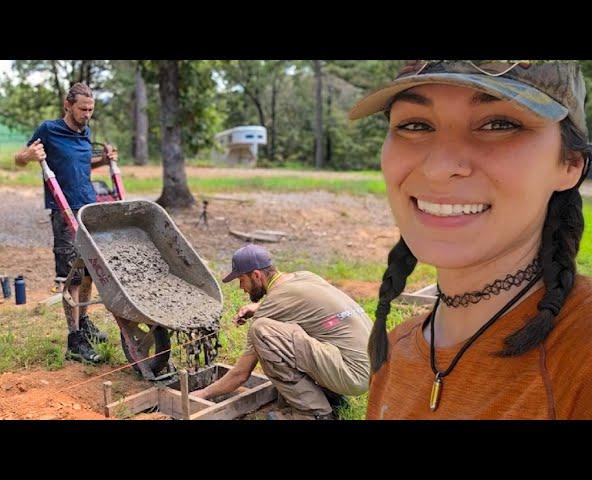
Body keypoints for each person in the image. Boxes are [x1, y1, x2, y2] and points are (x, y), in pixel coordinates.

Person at [347, 60, 592, 419]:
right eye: (415, 125)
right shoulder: (396, 350)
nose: (438, 167)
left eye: (499, 124)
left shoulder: (581, 353)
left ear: (570, 163)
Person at [193, 244, 372, 420]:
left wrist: (204, 393)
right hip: (375, 370)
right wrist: (258, 306)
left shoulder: (275, 303)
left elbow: (240, 374)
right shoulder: (305, 276)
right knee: (303, 328)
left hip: (353, 375)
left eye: (242, 280)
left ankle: (313, 413)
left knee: (261, 331)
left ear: (256, 275)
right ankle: (331, 396)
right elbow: (296, 302)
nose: (241, 287)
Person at [14, 82, 118, 364]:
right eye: (83, 109)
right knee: (72, 275)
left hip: (88, 208)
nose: (87, 115)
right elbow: (19, 159)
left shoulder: (86, 132)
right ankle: (74, 341)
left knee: (90, 272)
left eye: (91, 110)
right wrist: (30, 155)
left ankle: (84, 323)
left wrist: (103, 161)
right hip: (63, 210)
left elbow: (81, 165)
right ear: (68, 105)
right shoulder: (48, 130)